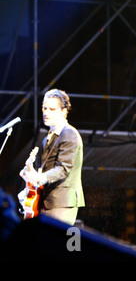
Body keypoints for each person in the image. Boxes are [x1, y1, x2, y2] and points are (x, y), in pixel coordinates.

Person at [19, 89, 84, 225]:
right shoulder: (48, 138)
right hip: (48, 201)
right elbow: (44, 171)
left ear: (63, 111)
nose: (46, 112)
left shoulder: (69, 134)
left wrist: (40, 178)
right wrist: (30, 180)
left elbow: (63, 169)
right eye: (44, 108)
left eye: (52, 109)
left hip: (62, 202)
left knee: (53, 244)